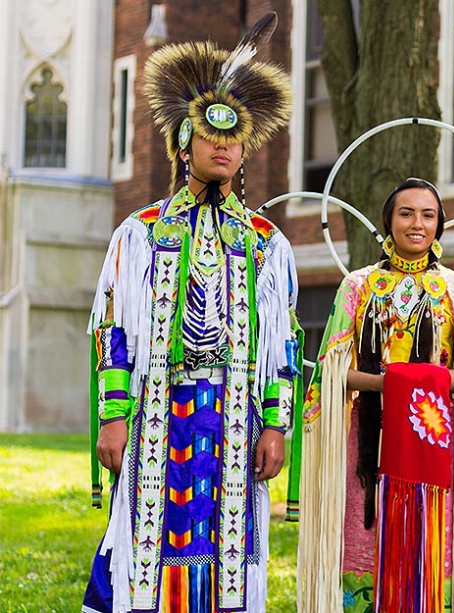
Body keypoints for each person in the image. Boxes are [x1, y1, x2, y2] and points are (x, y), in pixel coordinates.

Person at [83, 14, 299, 613]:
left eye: (235, 137)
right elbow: (112, 331)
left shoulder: (266, 244)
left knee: (228, 552)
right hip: (156, 411)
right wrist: (112, 415)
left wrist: (277, 426)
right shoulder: (140, 235)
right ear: (184, 144)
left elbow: (283, 343)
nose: (225, 144)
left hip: (235, 413)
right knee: (147, 544)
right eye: (210, 133)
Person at [298, 178, 454, 613]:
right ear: (388, 222)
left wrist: (428, 383)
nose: (417, 224)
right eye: (406, 213)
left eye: (428, 215)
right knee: (366, 529)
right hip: (369, 441)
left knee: (436, 536)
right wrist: (386, 384)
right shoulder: (358, 287)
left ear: (439, 224)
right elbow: (333, 370)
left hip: (437, 440)